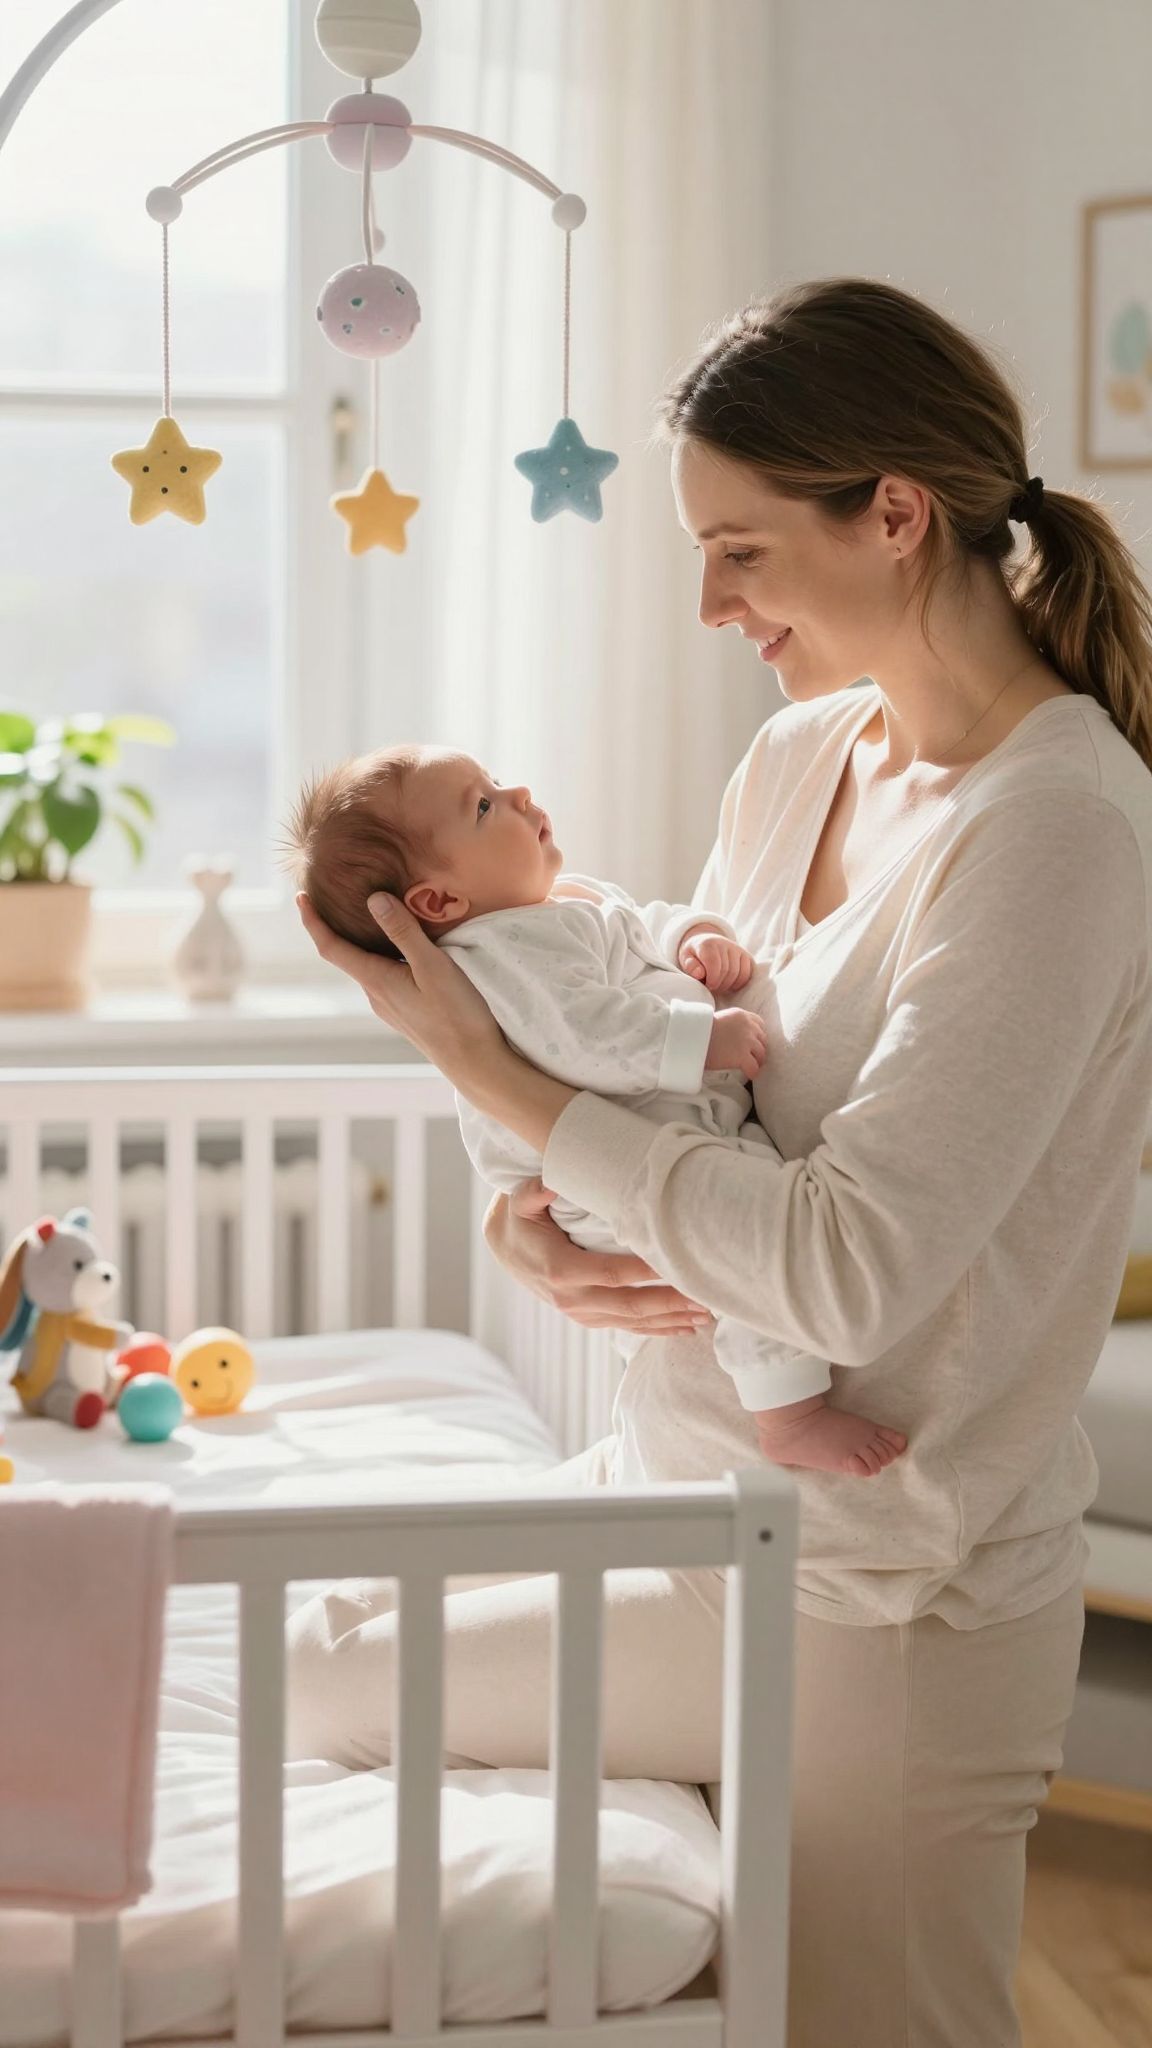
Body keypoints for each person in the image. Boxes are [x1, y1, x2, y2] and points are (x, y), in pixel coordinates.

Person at [293, 277, 1152, 2047]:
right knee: (319, 1651)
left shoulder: (1054, 827)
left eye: (739, 548)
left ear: (894, 512)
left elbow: (844, 1269)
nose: (708, 601)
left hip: (875, 1583)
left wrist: (489, 1078)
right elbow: (659, 1090)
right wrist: (536, 1230)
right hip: (688, 1487)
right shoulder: (796, 757)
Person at [282, 742, 908, 1476]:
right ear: (440, 903)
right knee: (735, 1252)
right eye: (483, 806)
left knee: (731, 1231)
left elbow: (640, 927)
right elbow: (583, 1036)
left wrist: (695, 938)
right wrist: (700, 1040)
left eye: (493, 780)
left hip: (642, 1138)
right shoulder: (497, 953)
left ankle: (765, 1399)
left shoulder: (557, 906)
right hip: (610, 1163)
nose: (516, 792)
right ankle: (789, 1414)